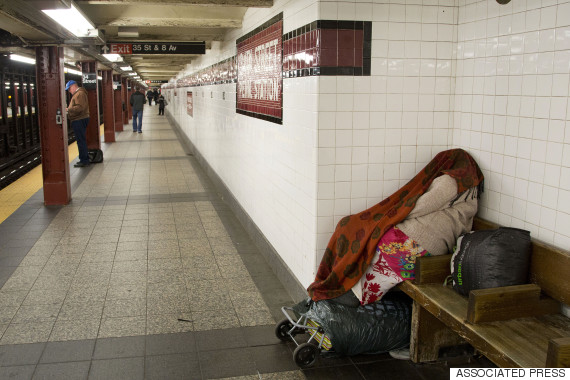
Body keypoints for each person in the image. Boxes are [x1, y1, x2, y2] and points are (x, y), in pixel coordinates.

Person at [65, 80, 90, 168]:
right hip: (80, 119)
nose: (69, 91)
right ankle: (84, 158)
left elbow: (80, 108)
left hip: (79, 119)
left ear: (73, 86)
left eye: (69, 89)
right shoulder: (79, 94)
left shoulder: (79, 94)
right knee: (81, 140)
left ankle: (84, 160)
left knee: (81, 140)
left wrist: (68, 110)